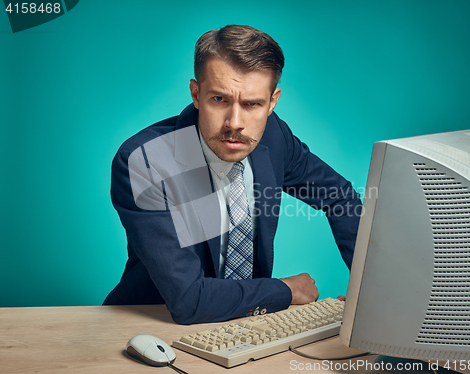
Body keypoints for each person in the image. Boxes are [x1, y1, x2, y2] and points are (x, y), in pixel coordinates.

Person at [103, 25, 362, 324]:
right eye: (219, 100)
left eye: (252, 104)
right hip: (153, 324)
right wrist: (285, 290)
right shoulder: (145, 162)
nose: (235, 123)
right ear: (196, 94)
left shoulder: (274, 136)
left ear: (272, 102)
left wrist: (371, 292)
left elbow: (338, 195)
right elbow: (189, 300)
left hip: (248, 326)